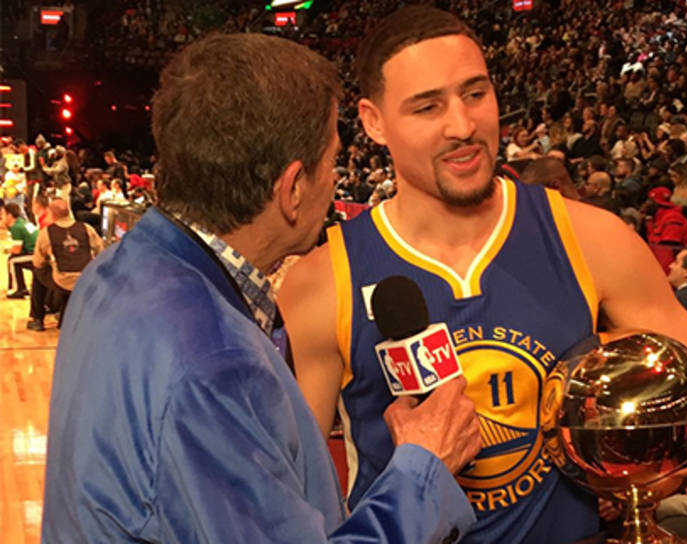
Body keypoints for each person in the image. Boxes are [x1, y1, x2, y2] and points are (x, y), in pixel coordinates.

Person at [278, 7, 687, 544]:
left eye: (475, 94)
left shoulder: (590, 237)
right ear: (373, 122)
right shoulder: (324, 280)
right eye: (428, 107)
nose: (462, 126)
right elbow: (287, 493)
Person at [41, 33, 480, 543]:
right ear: (292, 189)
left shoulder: (117, 267)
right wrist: (424, 466)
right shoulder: (214, 365)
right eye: (332, 162)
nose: (334, 180)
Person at [28, 198, 103, 331]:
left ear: (51, 213)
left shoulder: (47, 232)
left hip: (63, 281)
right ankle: (63, 315)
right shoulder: (86, 228)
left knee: (38, 273)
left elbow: (38, 262)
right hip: (86, 279)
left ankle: (37, 319)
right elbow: (101, 252)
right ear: (68, 211)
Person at [3, 202, 38, 298]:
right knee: (14, 259)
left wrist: (6, 250)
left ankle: (18, 289)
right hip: (37, 253)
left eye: (3, 214)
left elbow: (17, 251)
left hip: (35, 255)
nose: (2, 217)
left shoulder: (16, 227)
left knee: (12, 260)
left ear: (9, 215)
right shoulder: (23, 222)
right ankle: (20, 287)